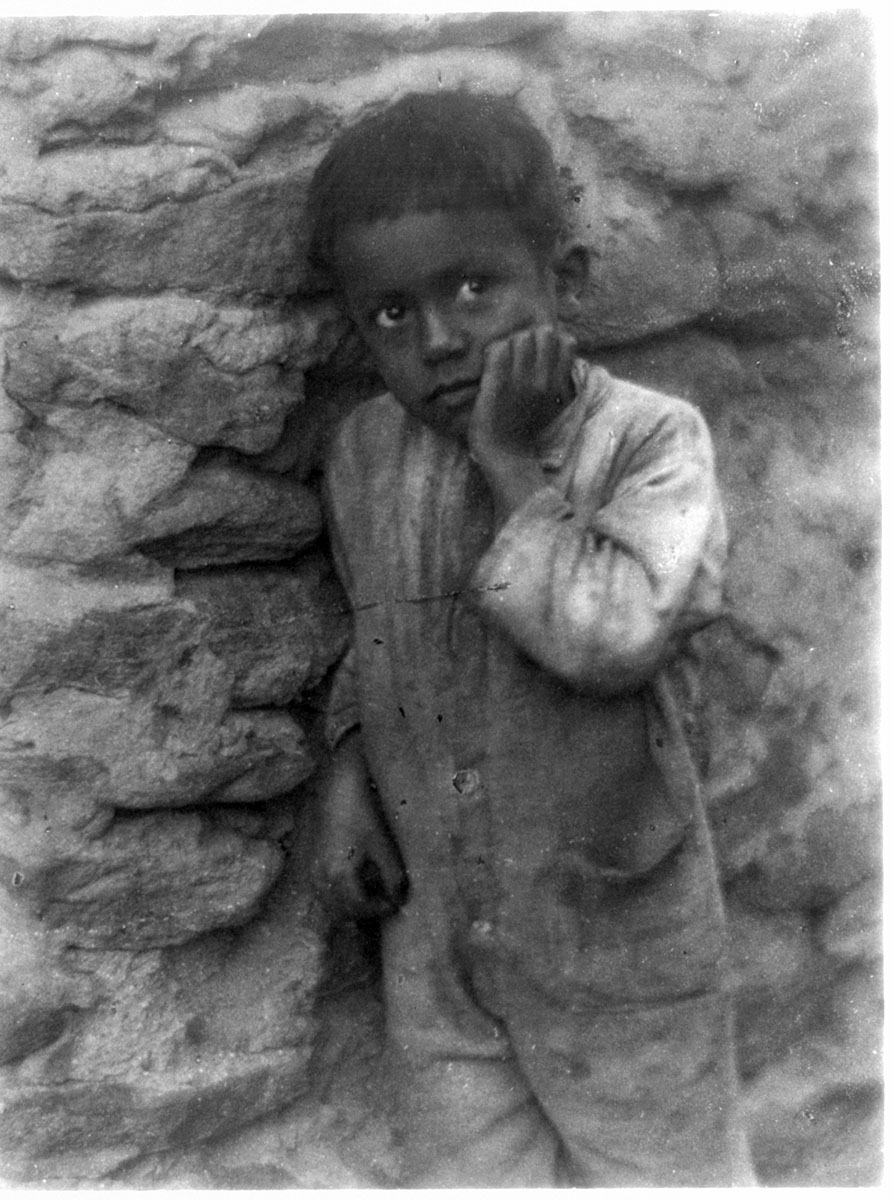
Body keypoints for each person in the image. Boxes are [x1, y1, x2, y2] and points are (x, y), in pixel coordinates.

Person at [304, 89, 754, 1187]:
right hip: (441, 949)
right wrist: (348, 770)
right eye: (393, 316)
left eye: (473, 287)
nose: (443, 341)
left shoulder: (648, 441)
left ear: (568, 279)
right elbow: (377, 633)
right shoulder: (368, 452)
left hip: (618, 940)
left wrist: (511, 466)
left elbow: (614, 637)